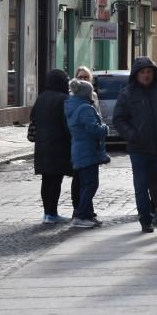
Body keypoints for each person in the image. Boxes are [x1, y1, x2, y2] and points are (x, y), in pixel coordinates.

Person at [112, 56, 157, 233]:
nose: (146, 75)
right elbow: (119, 120)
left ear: (153, 73)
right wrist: (133, 135)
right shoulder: (127, 94)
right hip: (139, 150)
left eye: (148, 72)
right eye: (142, 72)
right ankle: (145, 219)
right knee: (141, 187)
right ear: (136, 74)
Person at [65, 78, 109, 228]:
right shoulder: (85, 108)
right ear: (87, 94)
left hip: (79, 150)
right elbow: (93, 129)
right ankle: (82, 215)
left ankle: (88, 215)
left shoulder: (74, 105)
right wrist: (105, 128)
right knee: (91, 184)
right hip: (87, 151)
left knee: (86, 184)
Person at [31, 69, 74, 223]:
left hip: (42, 146)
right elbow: (66, 124)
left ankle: (47, 213)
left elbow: (33, 118)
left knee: (46, 180)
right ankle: (52, 213)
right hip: (59, 145)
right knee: (56, 180)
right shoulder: (63, 98)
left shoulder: (41, 98)